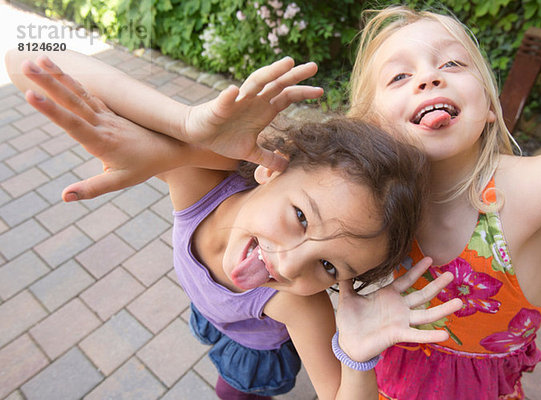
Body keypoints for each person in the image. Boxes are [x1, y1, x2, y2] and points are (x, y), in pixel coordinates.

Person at [6, 53, 462, 400]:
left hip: (251, 357)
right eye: (300, 217)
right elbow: (26, 59)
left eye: (327, 266)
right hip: (209, 316)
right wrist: (183, 125)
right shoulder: (199, 180)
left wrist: (359, 358)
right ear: (271, 169)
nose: (287, 263)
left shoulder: (296, 306)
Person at [345, 5, 541, 400]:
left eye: (451, 63)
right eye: (400, 75)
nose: (430, 78)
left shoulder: (529, 189)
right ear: (370, 125)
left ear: (489, 106)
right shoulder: (364, 205)